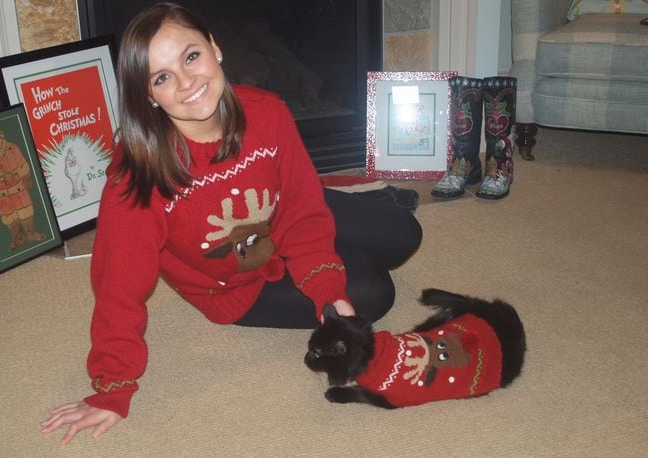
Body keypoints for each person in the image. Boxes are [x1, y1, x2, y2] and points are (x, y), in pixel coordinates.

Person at [42, 2, 421, 444]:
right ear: (148, 96)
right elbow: (118, 287)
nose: (187, 83)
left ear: (215, 48)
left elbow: (299, 208)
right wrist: (112, 388)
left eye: (191, 57)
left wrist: (323, 283)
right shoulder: (138, 181)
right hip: (232, 284)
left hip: (278, 218)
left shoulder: (269, 112)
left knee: (403, 231)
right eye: (162, 78)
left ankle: (333, 256)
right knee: (376, 290)